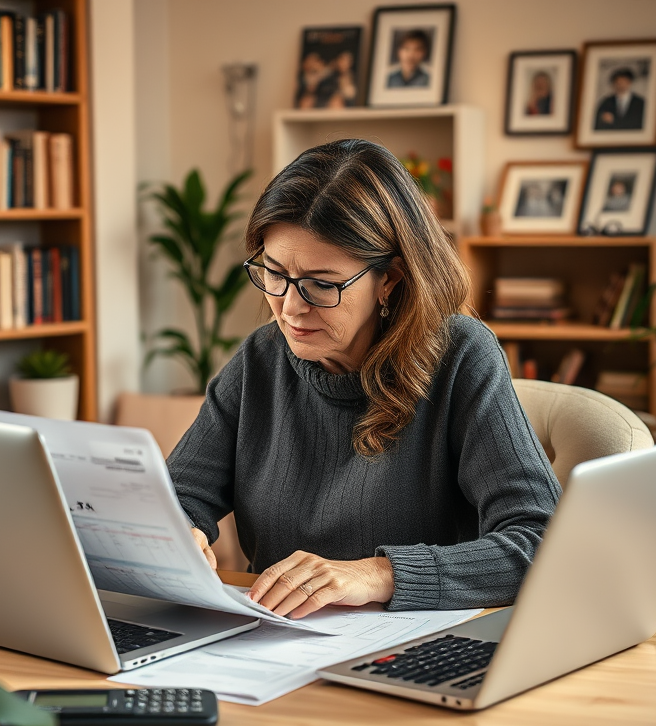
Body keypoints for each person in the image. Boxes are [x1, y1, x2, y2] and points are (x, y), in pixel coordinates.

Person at [170, 139, 561, 619]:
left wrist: (377, 574)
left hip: (413, 646)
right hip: (274, 641)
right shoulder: (260, 359)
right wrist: (177, 531)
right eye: (274, 274)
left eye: (321, 284)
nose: (290, 308)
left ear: (391, 279)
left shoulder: (461, 355)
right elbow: (179, 495)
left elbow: (541, 543)